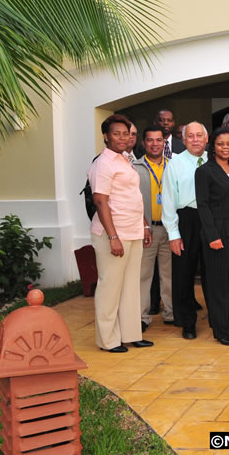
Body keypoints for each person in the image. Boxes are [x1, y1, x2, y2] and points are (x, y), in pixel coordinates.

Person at [88, 114, 153, 352]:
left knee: (130, 286)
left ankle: (130, 334)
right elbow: (100, 201)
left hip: (133, 230)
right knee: (110, 286)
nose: (122, 138)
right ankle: (108, 340)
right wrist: (113, 237)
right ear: (106, 136)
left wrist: (144, 224)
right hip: (112, 234)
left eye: (126, 134)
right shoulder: (103, 163)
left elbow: (132, 197)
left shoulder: (124, 159)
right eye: (116, 133)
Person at [195, 127, 229, 346]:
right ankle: (222, 330)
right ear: (212, 146)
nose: (225, 147)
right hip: (218, 235)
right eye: (220, 144)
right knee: (219, 285)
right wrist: (212, 235)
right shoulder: (205, 171)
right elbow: (203, 205)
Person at [161, 121, 209, 340]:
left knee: (213, 273)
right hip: (186, 220)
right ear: (184, 139)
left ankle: (217, 318)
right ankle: (187, 323)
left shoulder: (215, 161)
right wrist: (173, 234)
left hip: (212, 221)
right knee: (183, 274)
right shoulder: (175, 164)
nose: (196, 139)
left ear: (206, 139)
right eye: (191, 136)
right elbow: (169, 201)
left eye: (199, 135)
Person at [133, 125, 174, 331]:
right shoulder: (135, 167)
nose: (155, 144)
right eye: (150, 140)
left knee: (169, 274)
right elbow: (132, 201)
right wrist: (143, 225)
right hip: (147, 229)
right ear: (144, 143)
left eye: (159, 140)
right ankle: (142, 316)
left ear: (164, 143)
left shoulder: (173, 165)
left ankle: (170, 312)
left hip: (170, 228)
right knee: (144, 274)